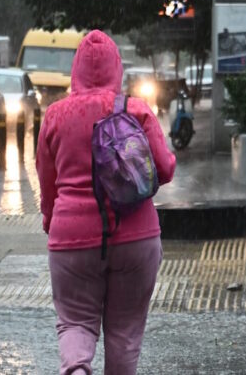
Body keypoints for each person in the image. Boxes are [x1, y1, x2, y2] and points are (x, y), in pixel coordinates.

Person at [36, 30, 176, 374]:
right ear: (118, 69)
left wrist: (52, 222)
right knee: (125, 333)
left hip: (71, 240)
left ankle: (78, 370)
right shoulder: (136, 111)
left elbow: (47, 183)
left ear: (75, 71)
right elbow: (165, 169)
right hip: (136, 237)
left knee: (75, 324)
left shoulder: (54, 116)